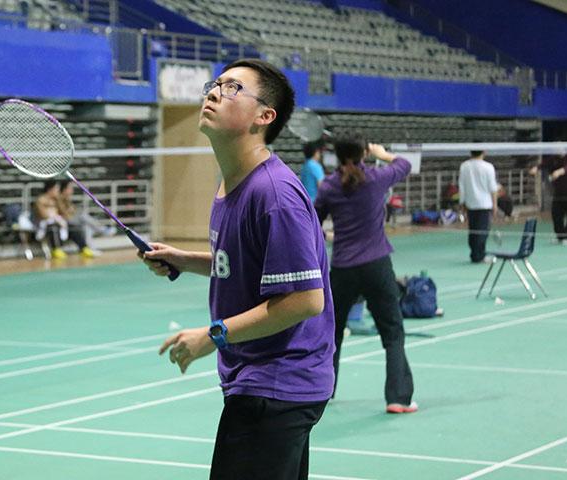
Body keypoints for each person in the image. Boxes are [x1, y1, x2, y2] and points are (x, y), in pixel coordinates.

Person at [140, 59, 334, 480]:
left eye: (232, 89)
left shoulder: (274, 194)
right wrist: (185, 261)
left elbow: (304, 299)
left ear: (265, 117)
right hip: (266, 381)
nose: (212, 93)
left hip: (277, 383)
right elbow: (253, 263)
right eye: (215, 84)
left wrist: (214, 335)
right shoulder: (233, 182)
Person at [315, 133, 417, 414]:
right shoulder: (376, 177)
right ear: (363, 154)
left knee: (331, 331)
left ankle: (323, 390)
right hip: (376, 266)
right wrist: (382, 153)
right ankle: (398, 398)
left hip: (343, 268)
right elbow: (405, 164)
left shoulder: (329, 186)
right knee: (393, 332)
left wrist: (328, 235)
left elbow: (311, 221)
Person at [57, 180, 115, 259]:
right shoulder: (59, 199)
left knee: (86, 227)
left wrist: (71, 210)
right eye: (70, 188)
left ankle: (91, 248)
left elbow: (73, 211)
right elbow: (65, 214)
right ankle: (102, 230)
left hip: (72, 220)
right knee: (83, 216)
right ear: (64, 189)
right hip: (65, 222)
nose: (72, 190)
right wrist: (70, 211)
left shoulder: (68, 200)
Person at [458, 149, 497, 263]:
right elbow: (493, 188)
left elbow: (462, 186)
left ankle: (475, 254)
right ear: (484, 152)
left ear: (470, 152)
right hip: (485, 204)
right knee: (482, 231)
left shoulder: (464, 166)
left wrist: (462, 203)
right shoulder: (489, 167)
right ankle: (479, 255)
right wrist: (495, 204)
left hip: (471, 203)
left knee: (473, 230)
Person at [532, 151, 567, 244]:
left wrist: (560, 171)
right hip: (558, 194)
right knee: (556, 214)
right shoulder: (553, 158)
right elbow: (544, 163)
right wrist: (536, 168)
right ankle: (560, 237)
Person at [33, 180, 68, 259]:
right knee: (53, 226)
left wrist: (59, 201)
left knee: (73, 225)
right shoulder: (41, 200)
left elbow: (64, 213)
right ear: (50, 189)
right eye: (56, 189)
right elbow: (43, 215)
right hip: (43, 224)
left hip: (58, 222)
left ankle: (84, 248)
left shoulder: (57, 200)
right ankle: (56, 249)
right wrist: (53, 216)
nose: (58, 191)